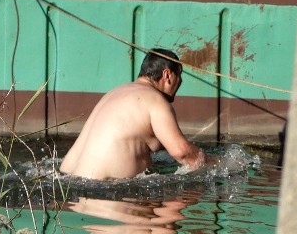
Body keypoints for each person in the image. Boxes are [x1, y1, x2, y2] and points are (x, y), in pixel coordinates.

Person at [60, 48, 215, 180]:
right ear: (167, 75)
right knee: (171, 213)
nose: (180, 81)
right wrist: (221, 165)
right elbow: (181, 152)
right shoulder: (155, 100)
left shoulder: (115, 92)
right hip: (104, 193)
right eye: (179, 75)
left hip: (67, 181)